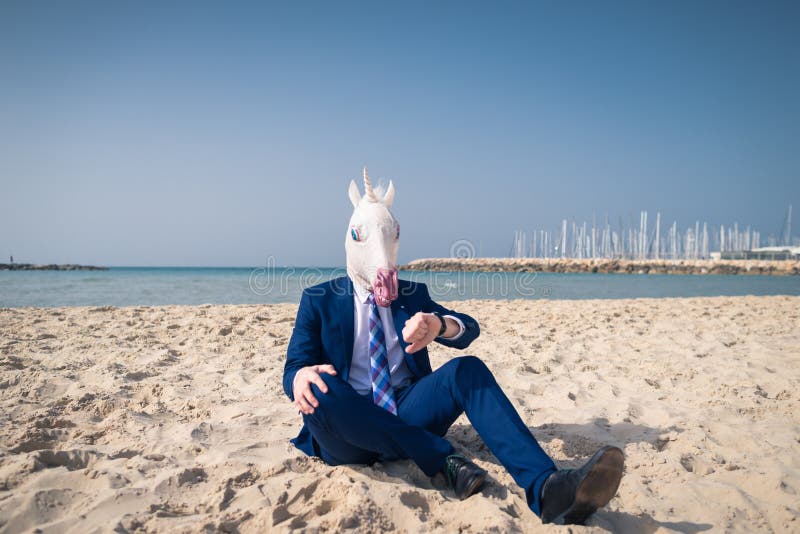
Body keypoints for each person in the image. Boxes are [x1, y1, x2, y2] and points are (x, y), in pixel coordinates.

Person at [282, 170, 624, 525]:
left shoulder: (413, 295)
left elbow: (468, 330)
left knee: (468, 368)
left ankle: (546, 488)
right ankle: (437, 455)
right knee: (320, 388)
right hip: (346, 430)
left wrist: (437, 325)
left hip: (406, 407)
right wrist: (299, 377)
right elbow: (293, 367)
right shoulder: (317, 300)